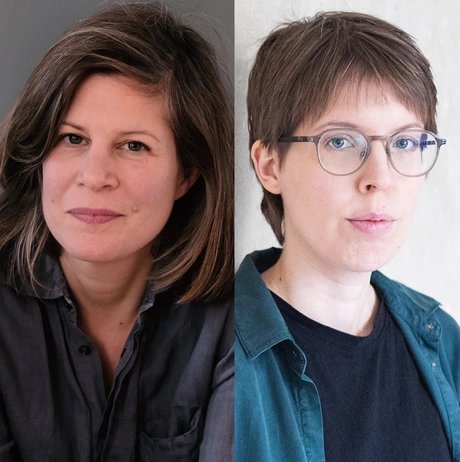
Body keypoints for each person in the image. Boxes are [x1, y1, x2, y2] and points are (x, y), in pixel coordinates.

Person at [0, 2, 233, 461]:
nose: (95, 176)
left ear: (186, 175)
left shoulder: (235, 318)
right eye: (73, 138)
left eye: (133, 146)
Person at [235, 11, 460, 462]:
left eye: (404, 143)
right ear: (270, 166)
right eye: (340, 141)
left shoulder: (441, 339)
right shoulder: (219, 358)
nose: (380, 179)